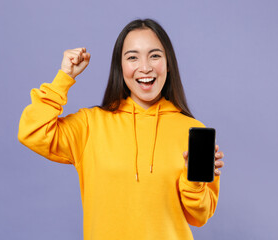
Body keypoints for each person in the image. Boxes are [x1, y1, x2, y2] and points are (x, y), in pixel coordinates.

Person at [18, 18, 225, 240]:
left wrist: (194, 183)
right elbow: (33, 131)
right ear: (120, 66)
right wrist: (64, 78)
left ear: (168, 64)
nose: (145, 67)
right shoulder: (91, 125)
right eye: (132, 57)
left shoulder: (192, 131)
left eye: (155, 55)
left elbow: (200, 217)